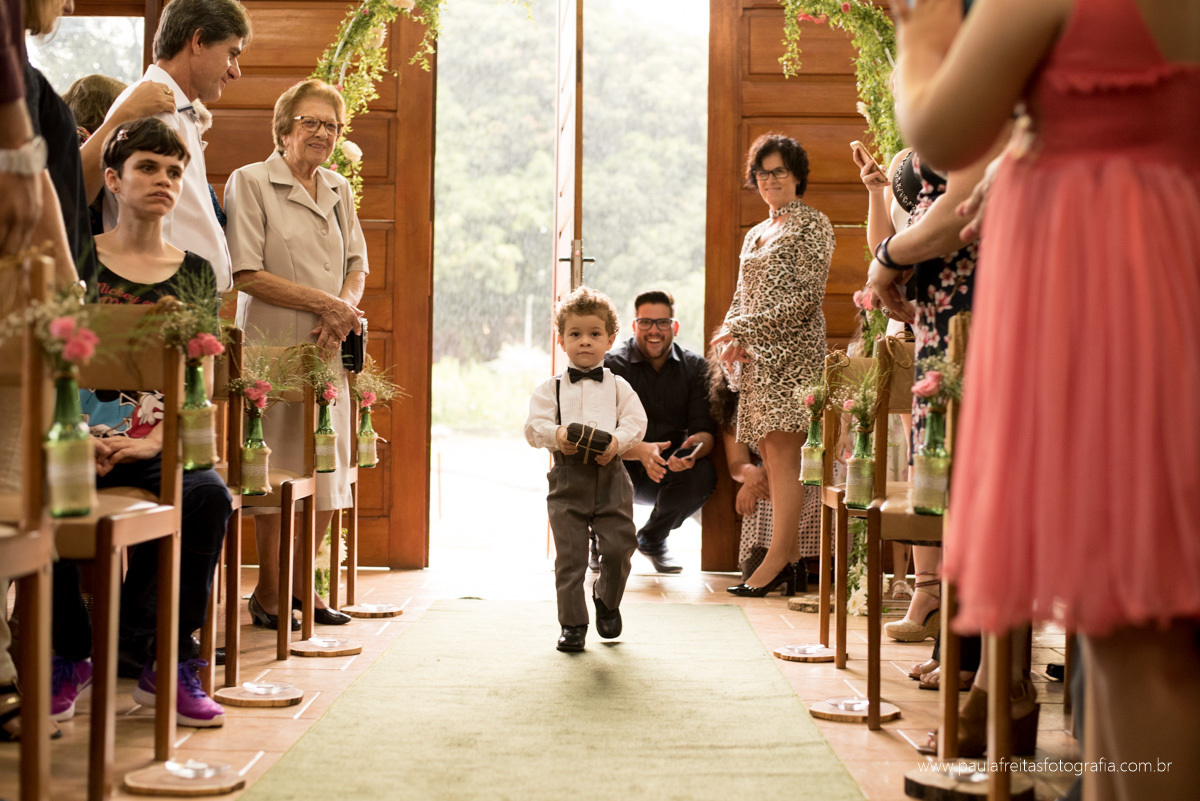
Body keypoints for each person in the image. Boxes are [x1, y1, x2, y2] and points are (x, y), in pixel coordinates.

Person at [891, 0, 1200, 796]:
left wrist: (919, 26)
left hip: (1116, 313)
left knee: (1138, 632)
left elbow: (944, 125)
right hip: (1166, 278)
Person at [73, 117, 230, 727]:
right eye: (148, 167)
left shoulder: (195, 274)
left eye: (174, 171)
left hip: (161, 441)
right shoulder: (80, 261)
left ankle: (165, 656)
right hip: (77, 440)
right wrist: (80, 436)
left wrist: (155, 442)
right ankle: (69, 651)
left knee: (209, 494)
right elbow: (55, 364)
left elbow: (203, 381)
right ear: (112, 179)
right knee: (35, 490)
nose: (164, 180)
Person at [226, 78, 366, 630]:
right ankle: (268, 591)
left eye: (330, 125)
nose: (321, 133)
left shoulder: (338, 188)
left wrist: (343, 312)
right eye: (309, 122)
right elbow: (246, 272)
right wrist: (328, 306)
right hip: (272, 345)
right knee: (276, 466)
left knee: (329, 465)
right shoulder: (251, 181)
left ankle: (304, 587)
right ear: (284, 129)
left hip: (328, 348)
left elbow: (357, 265)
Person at [711, 133, 833, 597]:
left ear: (797, 175)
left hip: (795, 353)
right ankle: (781, 557)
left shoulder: (813, 224)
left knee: (785, 457)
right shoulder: (755, 232)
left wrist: (745, 330)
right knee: (772, 451)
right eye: (762, 172)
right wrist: (730, 338)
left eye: (779, 170)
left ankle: (778, 558)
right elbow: (742, 296)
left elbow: (806, 298)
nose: (770, 180)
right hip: (756, 359)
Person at [525, 286, 647, 652]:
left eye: (594, 334)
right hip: (567, 479)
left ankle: (607, 599)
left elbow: (636, 421)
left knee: (619, 546)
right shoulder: (550, 389)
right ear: (561, 340)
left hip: (611, 477)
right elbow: (533, 428)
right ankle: (573, 625)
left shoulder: (619, 386)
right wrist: (557, 434)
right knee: (571, 557)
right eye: (575, 334)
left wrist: (617, 442)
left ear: (610, 339)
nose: (585, 342)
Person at [101, 0, 251, 293]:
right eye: (231, 54)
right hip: (165, 296)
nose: (235, 72)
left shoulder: (180, 109)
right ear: (197, 41)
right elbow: (154, 217)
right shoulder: (156, 109)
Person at [604, 290, 716, 573]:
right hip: (621, 464)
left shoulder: (695, 368)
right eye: (646, 322)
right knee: (592, 463)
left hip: (667, 468)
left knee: (704, 473)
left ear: (674, 327)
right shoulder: (610, 366)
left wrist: (689, 452)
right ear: (634, 326)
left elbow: (705, 433)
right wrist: (639, 450)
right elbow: (600, 436)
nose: (654, 330)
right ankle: (600, 543)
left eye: (662, 322)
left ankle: (652, 538)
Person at [708, 357, 819, 582]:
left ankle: (809, 563)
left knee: (805, 488)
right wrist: (751, 475)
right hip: (765, 467)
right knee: (763, 491)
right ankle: (770, 561)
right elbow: (736, 464)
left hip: (808, 463)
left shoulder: (787, 391)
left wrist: (767, 473)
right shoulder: (732, 404)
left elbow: (791, 453)